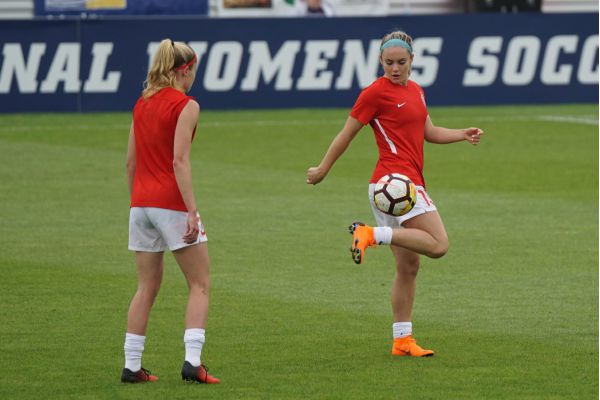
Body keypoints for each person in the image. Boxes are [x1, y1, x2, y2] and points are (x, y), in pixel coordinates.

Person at [306, 31, 483, 357]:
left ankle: (402, 340)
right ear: (380, 61)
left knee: (408, 268)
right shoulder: (374, 93)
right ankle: (371, 233)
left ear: (412, 60)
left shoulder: (416, 90)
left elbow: (428, 132)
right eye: (389, 63)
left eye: (401, 62)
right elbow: (347, 134)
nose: (395, 68)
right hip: (396, 184)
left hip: (396, 187)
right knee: (440, 245)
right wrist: (323, 168)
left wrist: (462, 134)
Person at [121, 38, 219, 383]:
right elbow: (179, 161)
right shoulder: (186, 105)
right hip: (171, 204)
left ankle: (132, 366)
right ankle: (193, 362)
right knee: (200, 284)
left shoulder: (141, 103)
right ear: (186, 70)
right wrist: (191, 211)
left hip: (141, 205)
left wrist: (138, 201)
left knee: (145, 287)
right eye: (194, 71)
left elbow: (130, 162)